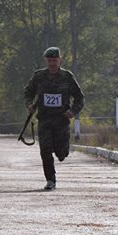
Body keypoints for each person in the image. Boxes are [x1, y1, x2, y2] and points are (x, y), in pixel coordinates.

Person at [23, 47, 84, 190]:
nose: (52, 63)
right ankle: (51, 180)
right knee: (45, 150)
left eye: (54, 60)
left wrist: (72, 111)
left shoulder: (67, 77)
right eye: (49, 61)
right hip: (44, 119)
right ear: (46, 61)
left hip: (61, 120)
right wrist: (29, 105)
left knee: (61, 153)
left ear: (59, 60)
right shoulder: (39, 76)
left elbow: (80, 98)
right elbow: (28, 92)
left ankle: (62, 151)